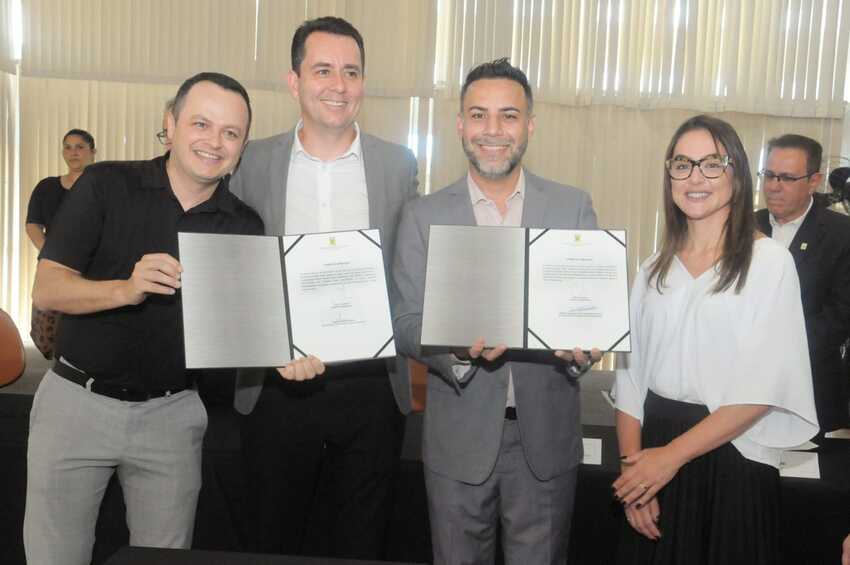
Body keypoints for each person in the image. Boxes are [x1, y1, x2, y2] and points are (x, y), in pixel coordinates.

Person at [24, 72, 263, 565]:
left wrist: (288, 353)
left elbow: (246, 330)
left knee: (163, 558)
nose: (214, 142)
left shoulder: (244, 224)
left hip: (172, 418)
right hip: (75, 406)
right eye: (201, 123)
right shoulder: (106, 184)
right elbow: (48, 289)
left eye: (231, 132)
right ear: (170, 124)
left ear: (242, 145)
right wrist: (126, 289)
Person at [392, 58, 601, 565]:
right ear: (460, 124)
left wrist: (582, 352)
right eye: (479, 115)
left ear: (529, 125)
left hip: (546, 443)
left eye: (508, 116)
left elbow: (589, 315)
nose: (493, 130)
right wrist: (456, 349)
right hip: (457, 443)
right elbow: (404, 323)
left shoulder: (572, 207)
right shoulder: (424, 215)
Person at [229, 16, 419, 558]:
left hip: (371, 386)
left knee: (362, 539)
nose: (339, 85)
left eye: (352, 71)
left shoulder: (399, 164)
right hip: (276, 383)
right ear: (294, 82)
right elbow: (237, 268)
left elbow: (407, 272)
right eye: (323, 70)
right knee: (273, 537)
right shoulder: (252, 161)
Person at [613, 115, 818, 564]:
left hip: (732, 457)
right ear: (669, 176)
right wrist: (636, 480)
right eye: (682, 164)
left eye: (711, 164)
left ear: (737, 175)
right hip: (654, 450)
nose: (695, 177)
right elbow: (630, 380)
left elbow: (762, 389)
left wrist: (668, 459)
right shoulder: (652, 268)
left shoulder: (769, 263)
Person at [755, 134, 850, 433]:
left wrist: (775, 351)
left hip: (812, 389)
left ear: (814, 181)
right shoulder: (743, 227)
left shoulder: (841, 234)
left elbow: (840, 316)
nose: (773, 186)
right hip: (743, 389)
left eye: (786, 178)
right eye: (769, 175)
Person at [25, 128, 96, 251]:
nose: (73, 152)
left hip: (95, 264)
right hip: (53, 263)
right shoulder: (46, 187)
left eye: (79, 147)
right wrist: (49, 253)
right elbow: (33, 225)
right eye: (67, 147)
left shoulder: (104, 188)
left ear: (92, 152)